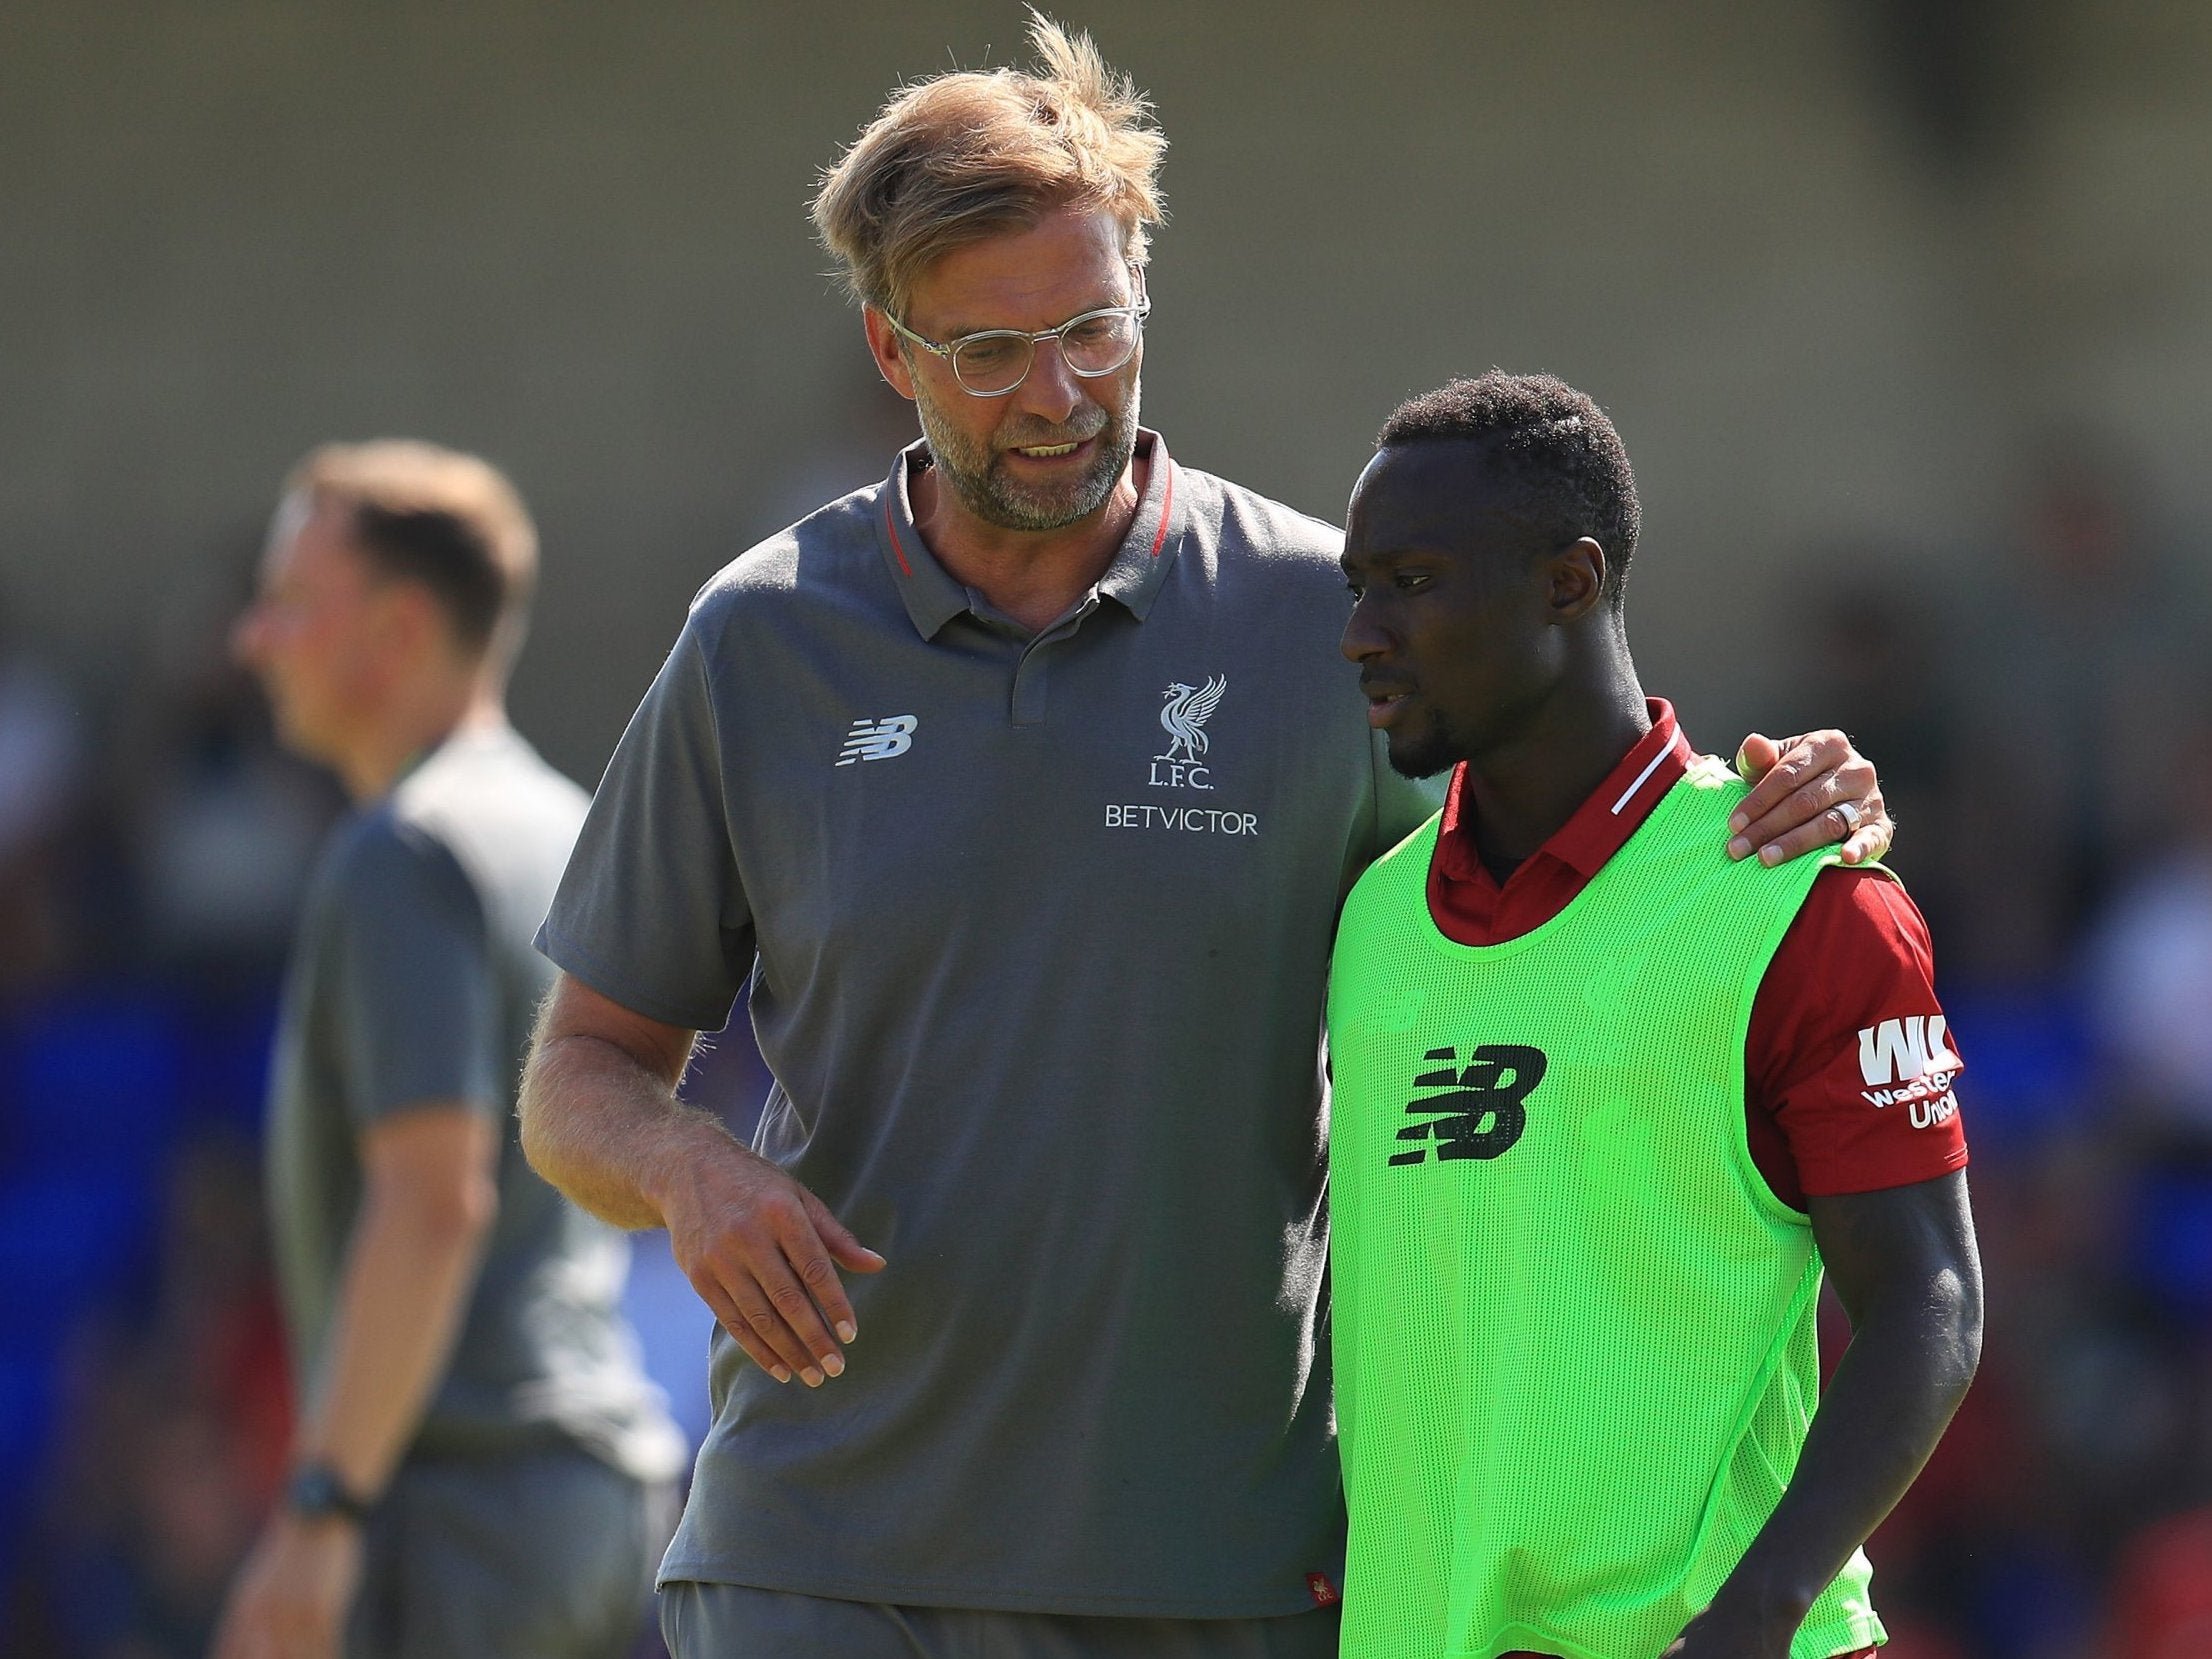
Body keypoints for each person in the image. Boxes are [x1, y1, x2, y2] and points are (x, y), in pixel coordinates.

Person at [516, 21, 1891, 1659]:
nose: (1058, 393)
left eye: (1096, 330)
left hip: (1221, 1565)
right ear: (891, 352)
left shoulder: (1330, 619)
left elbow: (1587, 843)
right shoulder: (758, 639)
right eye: (991, 353)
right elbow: (578, 1076)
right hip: (818, 1548)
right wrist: (690, 1170)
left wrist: (1783, 801)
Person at [1327, 373, 1982, 1659]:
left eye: (1409, 583)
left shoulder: (1795, 895)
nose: (1359, 631)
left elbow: (1930, 1301)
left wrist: (1752, 1617)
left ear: (1567, 584)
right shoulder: (1372, 919)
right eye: (1356, 587)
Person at [214, 442, 684, 1659]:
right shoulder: (566, 824)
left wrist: (321, 1506)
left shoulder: (404, 852)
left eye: (290, 605)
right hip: (593, 1501)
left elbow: (434, 1201)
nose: (254, 640)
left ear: (399, 630)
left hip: (458, 1518)